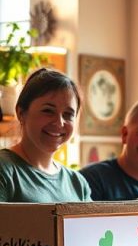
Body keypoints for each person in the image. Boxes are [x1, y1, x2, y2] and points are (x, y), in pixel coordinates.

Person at [0, 68, 91, 202]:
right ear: (21, 113)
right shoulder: (4, 169)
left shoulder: (78, 184)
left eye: (68, 114)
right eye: (48, 110)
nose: (59, 122)